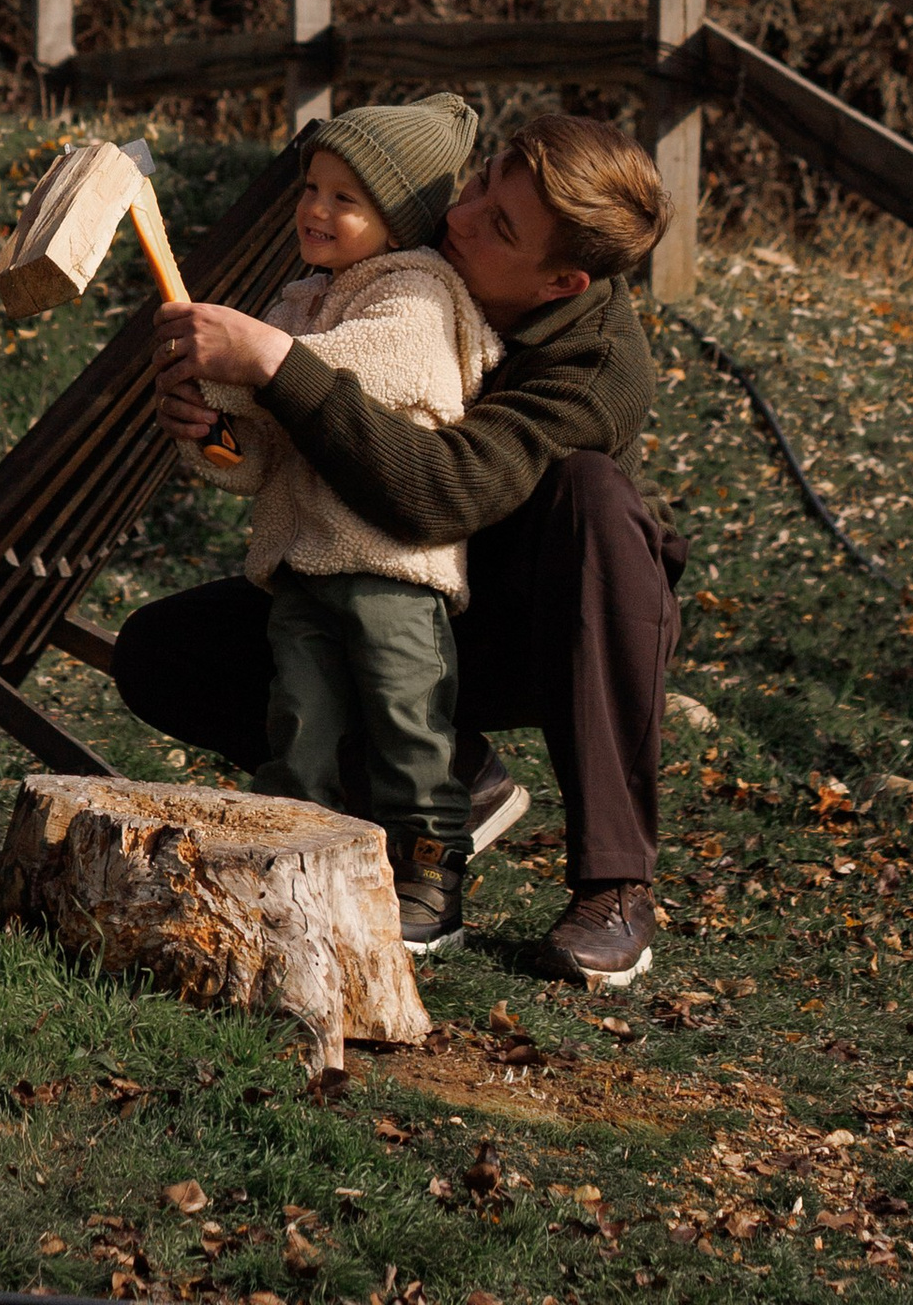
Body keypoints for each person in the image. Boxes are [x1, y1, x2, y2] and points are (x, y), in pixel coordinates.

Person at [135, 107, 680, 988]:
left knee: (597, 498)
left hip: (527, 617)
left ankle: (616, 884)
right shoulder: (416, 243)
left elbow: (443, 491)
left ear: (562, 282)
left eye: (499, 226)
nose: (458, 217)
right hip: (368, 579)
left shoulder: (600, 362)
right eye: (479, 184)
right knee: (164, 650)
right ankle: (455, 771)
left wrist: (278, 366)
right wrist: (222, 424)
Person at [198, 94, 497, 953]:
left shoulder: (417, 293)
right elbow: (258, 458)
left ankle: (430, 879)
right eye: (312, 188)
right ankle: (284, 866)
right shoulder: (300, 304)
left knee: (409, 725)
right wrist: (209, 432)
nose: (316, 210)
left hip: (394, 569)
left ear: (398, 219)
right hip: (301, 563)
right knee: (299, 721)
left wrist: (238, 366)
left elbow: (374, 373)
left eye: (346, 199)